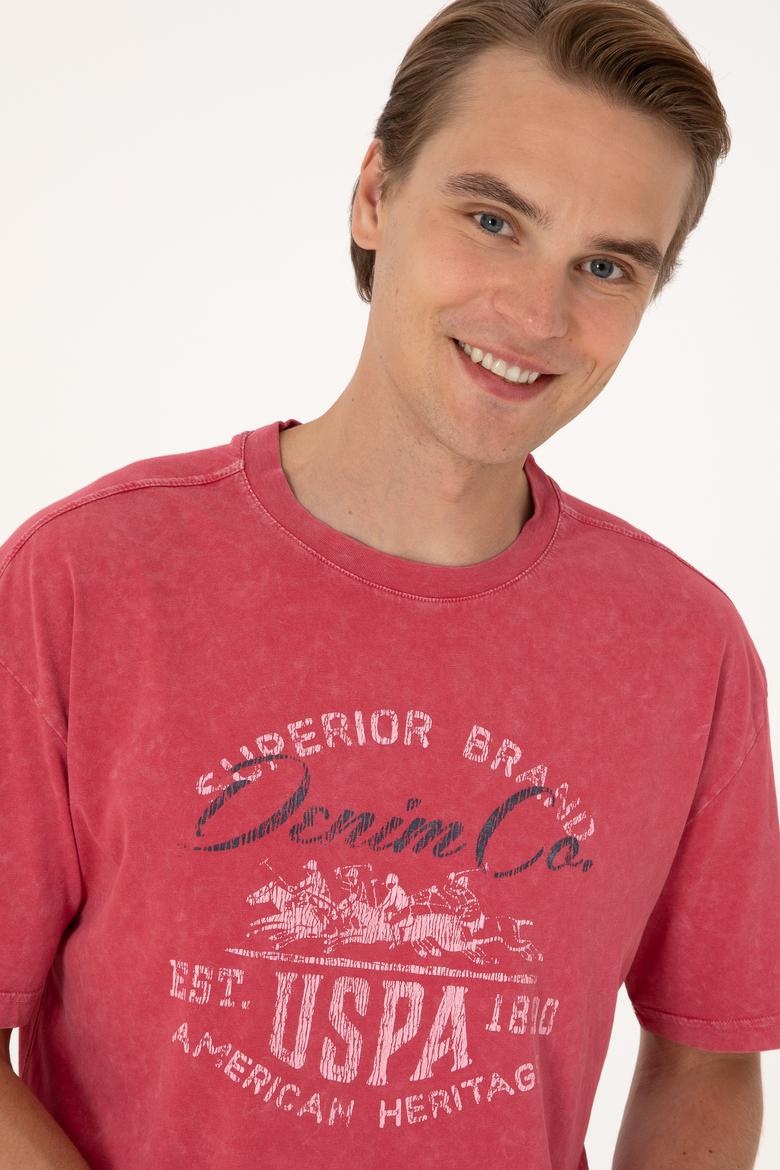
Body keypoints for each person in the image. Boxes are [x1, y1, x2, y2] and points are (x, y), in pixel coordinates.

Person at [1, 0, 778, 1166]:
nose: (537, 314)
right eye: (493, 220)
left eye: (606, 266)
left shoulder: (686, 649)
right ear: (375, 196)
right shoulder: (86, 577)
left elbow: (708, 1063)